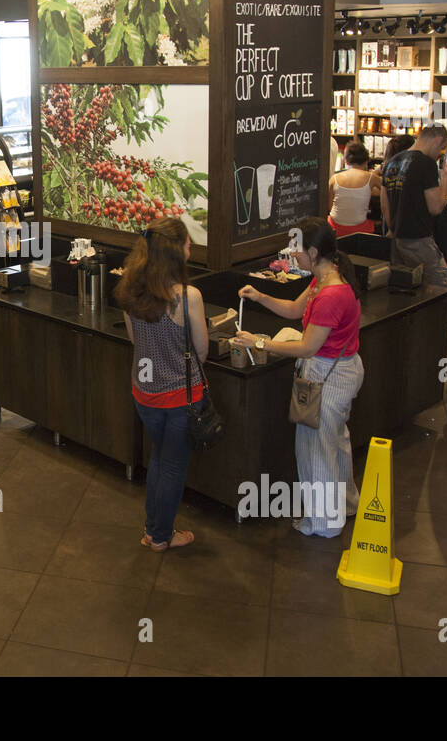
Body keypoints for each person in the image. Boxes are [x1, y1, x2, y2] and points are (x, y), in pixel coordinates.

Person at [233, 218, 364, 538]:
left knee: (316, 450)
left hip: (328, 375)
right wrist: (260, 296)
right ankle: (346, 502)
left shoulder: (331, 293)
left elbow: (307, 347)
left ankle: (325, 522)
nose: (294, 255)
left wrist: (259, 342)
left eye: (298, 250)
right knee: (336, 442)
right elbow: (295, 310)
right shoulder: (326, 277)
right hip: (342, 369)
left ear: (315, 251)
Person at [114, 217, 207, 551]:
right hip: (180, 397)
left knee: (158, 458)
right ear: (174, 253)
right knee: (173, 466)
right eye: (186, 244)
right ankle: (161, 536)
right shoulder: (188, 297)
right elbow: (201, 350)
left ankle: (152, 528)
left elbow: (134, 340)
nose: (190, 249)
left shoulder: (129, 290)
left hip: (144, 392)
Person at [380, 123, 447, 287]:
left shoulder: (392, 163)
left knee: (405, 289)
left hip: (396, 240)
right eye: (441, 149)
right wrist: (446, 179)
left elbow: (385, 206)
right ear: (437, 140)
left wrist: (395, 229)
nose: (439, 155)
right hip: (418, 240)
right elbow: (436, 207)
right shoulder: (426, 163)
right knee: (439, 288)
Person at [328, 140, 380, 236]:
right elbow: (387, 191)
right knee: (376, 222)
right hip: (359, 229)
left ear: (346, 160)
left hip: (335, 228)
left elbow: (329, 206)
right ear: (366, 160)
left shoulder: (334, 179)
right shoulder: (371, 178)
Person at [377, 135, 415, 234]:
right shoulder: (410, 171)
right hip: (405, 229)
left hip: (390, 225)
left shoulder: (388, 168)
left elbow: (384, 206)